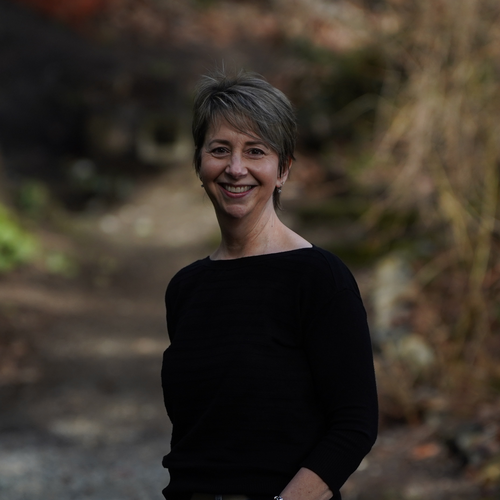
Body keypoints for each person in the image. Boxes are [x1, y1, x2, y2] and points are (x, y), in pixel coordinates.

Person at [161, 70, 378, 500]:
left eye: (255, 151)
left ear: (283, 170)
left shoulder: (319, 279)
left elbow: (354, 426)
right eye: (219, 150)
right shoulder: (186, 288)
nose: (235, 168)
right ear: (199, 163)